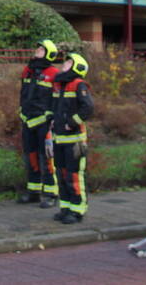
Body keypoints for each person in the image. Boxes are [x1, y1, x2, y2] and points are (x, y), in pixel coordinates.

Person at [17, 39, 60, 207]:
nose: (37, 51)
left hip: (45, 122)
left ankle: (51, 194)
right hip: (28, 120)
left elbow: (56, 99)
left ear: (49, 54)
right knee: (31, 157)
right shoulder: (28, 70)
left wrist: (52, 119)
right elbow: (23, 93)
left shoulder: (54, 74)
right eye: (38, 48)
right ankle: (33, 192)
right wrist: (21, 111)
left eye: (41, 49)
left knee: (47, 158)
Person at [51, 53, 93, 224]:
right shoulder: (61, 85)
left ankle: (77, 211)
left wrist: (71, 123)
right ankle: (66, 208)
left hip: (75, 141)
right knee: (61, 175)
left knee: (74, 176)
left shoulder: (79, 84)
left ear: (78, 67)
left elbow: (88, 107)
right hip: (59, 139)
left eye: (69, 62)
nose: (64, 64)